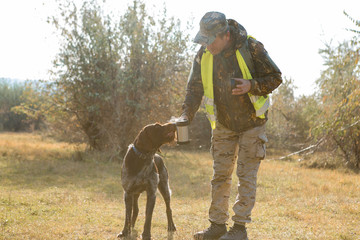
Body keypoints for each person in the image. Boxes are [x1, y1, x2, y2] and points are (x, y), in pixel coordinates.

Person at [179, 12, 282, 240]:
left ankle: (239, 230)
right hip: (224, 124)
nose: (206, 45)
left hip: (252, 123)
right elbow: (194, 88)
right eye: (203, 40)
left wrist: (251, 85)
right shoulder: (204, 54)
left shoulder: (252, 47)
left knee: (245, 176)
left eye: (210, 40)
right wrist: (185, 115)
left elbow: (276, 77)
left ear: (225, 35)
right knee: (220, 176)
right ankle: (217, 225)